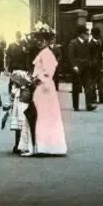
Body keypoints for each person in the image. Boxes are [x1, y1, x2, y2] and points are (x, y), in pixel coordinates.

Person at [26, 23, 67, 157]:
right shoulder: (43, 52)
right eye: (38, 39)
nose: (39, 41)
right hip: (42, 87)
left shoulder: (47, 53)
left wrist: (36, 79)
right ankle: (43, 144)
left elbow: (48, 72)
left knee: (43, 114)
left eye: (42, 39)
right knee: (43, 114)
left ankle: (46, 145)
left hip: (44, 87)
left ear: (48, 41)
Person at [4, 70, 34, 155]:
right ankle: (18, 145)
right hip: (18, 109)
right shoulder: (18, 90)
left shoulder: (24, 90)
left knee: (22, 126)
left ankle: (21, 145)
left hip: (22, 109)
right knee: (19, 126)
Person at [68, 25, 97, 112]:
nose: (87, 35)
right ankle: (75, 106)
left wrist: (90, 62)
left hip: (86, 67)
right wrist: (74, 66)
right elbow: (71, 56)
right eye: (86, 33)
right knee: (76, 87)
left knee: (88, 86)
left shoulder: (87, 43)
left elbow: (92, 54)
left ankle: (89, 105)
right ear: (81, 34)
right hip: (77, 68)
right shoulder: (73, 43)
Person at [90, 27, 103, 104]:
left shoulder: (100, 43)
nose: (98, 36)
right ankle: (93, 98)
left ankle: (101, 98)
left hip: (99, 65)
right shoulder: (90, 44)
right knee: (93, 83)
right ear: (94, 35)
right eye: (97, 35)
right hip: (93, 66)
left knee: (101, 83)